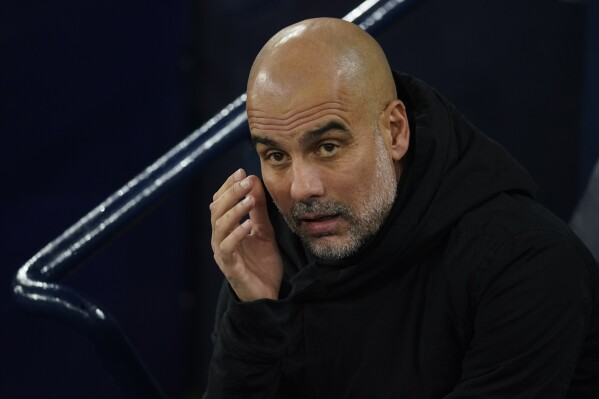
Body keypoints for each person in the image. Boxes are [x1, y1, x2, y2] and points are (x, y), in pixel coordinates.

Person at [206, 17, 599, 398]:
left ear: (395, 131)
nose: (301, 188)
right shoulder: (271, 252)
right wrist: (254, 312)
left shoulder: (525, 261)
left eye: (328, 147)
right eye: (275, 155)